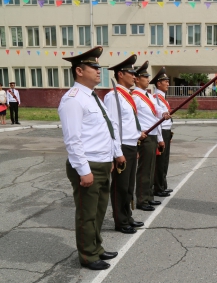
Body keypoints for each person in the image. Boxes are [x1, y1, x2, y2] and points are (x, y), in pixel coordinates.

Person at [58, 46, 125, 270]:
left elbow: (107, 129)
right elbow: (73, 139)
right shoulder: (73, 99)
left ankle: (96, 247)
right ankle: (87, 255)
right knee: (87, 214)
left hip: (102, 163)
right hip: (88, 166)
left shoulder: (93, 97)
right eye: (94, 67)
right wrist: (83, 170)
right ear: (79, 70)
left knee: (98, 211)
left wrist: (114, 155)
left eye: (99, 66)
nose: (99, 70)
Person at [104, 55, 146, 234]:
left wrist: (136, 139)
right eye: (131, 73)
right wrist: (117, 152)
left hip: (130, 145)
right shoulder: (113, 96)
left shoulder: (126, 95)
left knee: (129, 186)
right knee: (120, 186)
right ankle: (120, 221)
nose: (135, 77)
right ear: (120, 74)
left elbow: (127, 124)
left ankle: (127, 216)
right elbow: (113, 127)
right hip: (121, 147)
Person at [132, 61, 170, 211]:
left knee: (151, 168)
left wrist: (164, 114)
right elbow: (132, 118)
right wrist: (136, 135)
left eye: (148, 77)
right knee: (144, 170)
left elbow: (157, 111)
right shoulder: (135, 96)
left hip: (153, 135)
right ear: (137, 79)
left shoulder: (148, 95)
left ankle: (148, 196)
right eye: (144, 77)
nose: (148, 80)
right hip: (145, 136)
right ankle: (142, 199)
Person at [151, 67, 174, 197]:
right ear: (159, 83)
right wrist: (161, 137)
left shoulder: (162, 97)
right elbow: (156, 119)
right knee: (160, 162)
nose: (168, 84)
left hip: (166, 131)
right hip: (161, 131)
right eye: (166, 81)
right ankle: (158, 187)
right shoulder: (156, 98)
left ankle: (162, 185)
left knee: (164, 161)